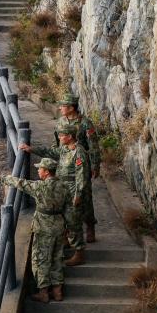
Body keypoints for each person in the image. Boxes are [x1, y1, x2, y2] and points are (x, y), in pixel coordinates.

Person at [0, 158, 69, 302]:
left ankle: (43, 292)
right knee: (57, 258)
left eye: (40, 168)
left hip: (44, 227)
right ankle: (58, 292)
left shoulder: (40, 187)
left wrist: (0, 178)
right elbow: (69, 208)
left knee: (41, 259)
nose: (38, 170)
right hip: (59, 225)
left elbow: (21, 183)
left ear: (46, 172)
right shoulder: (63, 186)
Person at [20, 121, 89, 266]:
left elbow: (82, 176)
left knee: (73, 221)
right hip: (63, 188)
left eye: (62, 135)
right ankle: (67, 242)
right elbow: (50, 152)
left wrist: (78, 194)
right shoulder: (64, 149)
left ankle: (79, 252)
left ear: (70, 136)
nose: (59, 137)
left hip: (72, 189)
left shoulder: (79, 152)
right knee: (64, 217)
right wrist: (31, 149)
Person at [56, 93, 100, 243]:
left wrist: (95, 165)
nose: (60, 108)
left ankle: (90, 225)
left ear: (71, 108)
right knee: (66, 198)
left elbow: (93, 145)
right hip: (65, 164)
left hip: (81, 164)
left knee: (85, 197)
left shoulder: (85, 123)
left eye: (63, 106)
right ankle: (68, 230)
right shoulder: (60, 122)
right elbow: (57, 143)